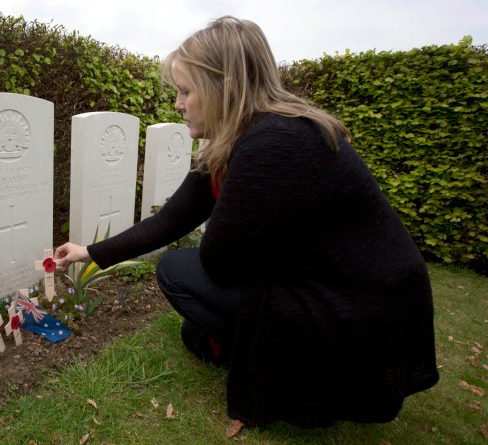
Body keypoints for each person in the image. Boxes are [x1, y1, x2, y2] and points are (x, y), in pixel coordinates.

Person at [54, 16, 438, 429]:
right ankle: (265, 350)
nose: (178, 104)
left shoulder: (273, 143)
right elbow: (171, 219)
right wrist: (90, 252)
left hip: (357, 307)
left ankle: (290, 369)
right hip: (326, 281)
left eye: (186, 91)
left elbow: (219, 264)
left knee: (176, 270)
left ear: (225, 86)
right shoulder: (242, 138)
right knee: (193, 334)